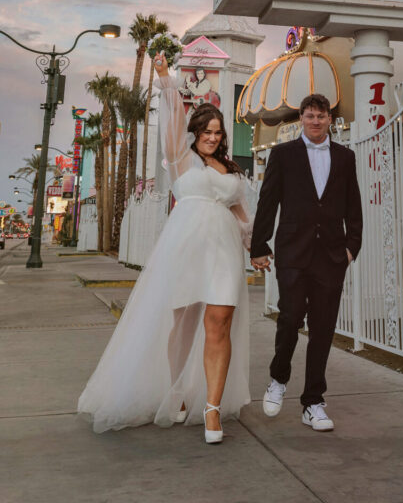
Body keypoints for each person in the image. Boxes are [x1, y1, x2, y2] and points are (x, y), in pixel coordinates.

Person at [78, 53, 252, 443]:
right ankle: (176, 392)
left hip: (224, 252)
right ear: (194, 133)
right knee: (183, 323)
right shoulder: (181, 159)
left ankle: (211, 409)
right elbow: (173, 115)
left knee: (219, 322)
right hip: (186, 249)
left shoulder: (232, 172)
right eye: (206, 130)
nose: (213, 137)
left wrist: (255, 246)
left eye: (218, 132)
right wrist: (165, 78)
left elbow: (242, 216)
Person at [250, 93, 362, 432]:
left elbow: (353, 205)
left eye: (321, 116)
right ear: (302, 119)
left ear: (330, 120)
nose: (315, 121)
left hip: (331, 256)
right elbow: (268, 202)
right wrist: (259, 246)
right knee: (290, 317)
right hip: (293, 253)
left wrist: (351, 248)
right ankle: (278, 378)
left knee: (323, 328)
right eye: (310, 115)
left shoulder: (345, 157)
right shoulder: (282, 155)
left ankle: (313, 401)